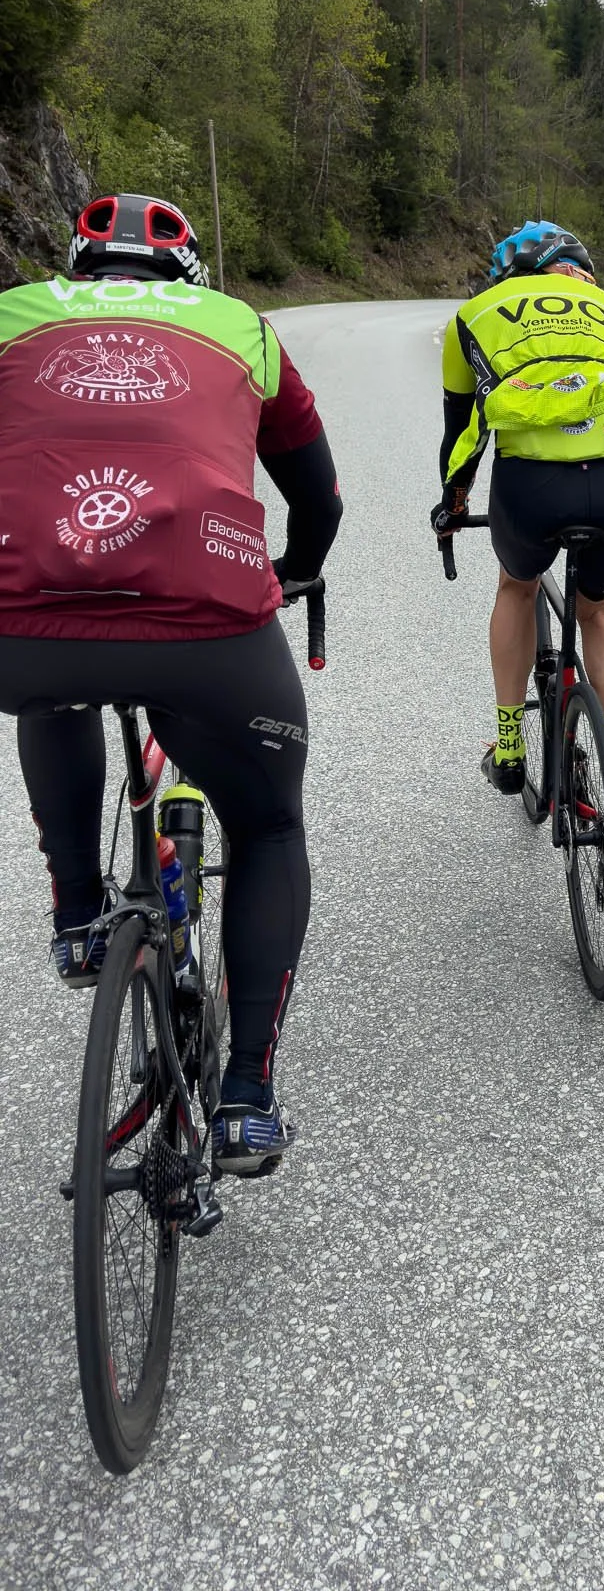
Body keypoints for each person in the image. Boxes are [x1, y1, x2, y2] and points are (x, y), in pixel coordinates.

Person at [0, 193, 342, 1174]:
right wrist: (297, 567)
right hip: (207, 620)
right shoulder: (242, 327)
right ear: (187, 277)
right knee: (269, 826)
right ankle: (246, 1100)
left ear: (73, 268)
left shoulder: (13, 313)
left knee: (51, 688)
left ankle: (75, 920)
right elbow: (316, 494)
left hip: (24, 615)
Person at [431, 220, 604, 828]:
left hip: (533, 486)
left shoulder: (475, 315)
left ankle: (510, 749)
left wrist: (454, 504)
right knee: (599, 608)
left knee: (518, 584)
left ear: (515, 272)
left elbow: (462, 430)